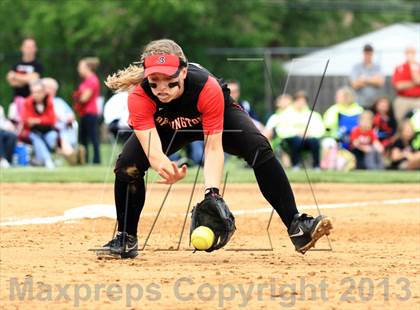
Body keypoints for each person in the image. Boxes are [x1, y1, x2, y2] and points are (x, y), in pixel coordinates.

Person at [98, 39, 332, 258]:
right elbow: (153, 151)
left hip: (216, 115)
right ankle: (126, 238)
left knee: (259, 148)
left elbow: (212, 147)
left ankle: (297, 226)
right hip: (168, 125)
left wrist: (212, 193)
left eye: (169, 79)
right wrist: (165, 167)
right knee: (127, 166)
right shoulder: (140, 96)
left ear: (184, 71)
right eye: (154, 80)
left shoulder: (206, 88)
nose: (161, 88)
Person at [267, 91, 324, 170]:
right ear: (294, 101)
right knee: (297, 141)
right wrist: (296, 132)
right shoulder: (286, 114)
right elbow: (281, 130)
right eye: (298, 101)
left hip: (309, 139)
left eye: (303, 101)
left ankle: (316, 166)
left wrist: (309, 133)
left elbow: (320, 130)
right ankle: (295, 165)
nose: (300, 103)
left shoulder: (314, 115)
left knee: (315, 142)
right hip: (291, 140)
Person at [42, 77, 82, 165]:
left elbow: (71, 115)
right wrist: (59, 118)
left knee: (64, 135)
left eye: (51, 88)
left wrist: (66, 118)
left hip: (66, 129)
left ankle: (72, 155)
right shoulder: (42, 103)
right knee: (61, 137)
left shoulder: (59, 101)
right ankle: (72, 155)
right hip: (52, 130)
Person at [22, 80, 57, 169]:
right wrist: (41, 120)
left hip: (48, 130)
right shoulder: (27, 102)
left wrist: (37, 120)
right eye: (33, 92)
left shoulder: (49, 102)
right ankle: (48, 161)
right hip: (32, 131)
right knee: (37, 139)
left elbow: (52, 119)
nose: (35, 95)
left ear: (44, 93)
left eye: (38, 92)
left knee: (52, 138)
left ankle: (40, 160)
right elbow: (26, 120)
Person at [73, 57, 101, 164]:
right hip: (84, 113)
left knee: (93, 137)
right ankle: (84, 159)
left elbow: (85, 98)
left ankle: (96, 160)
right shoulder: (86, 80)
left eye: (80, 67)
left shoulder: (92, 80)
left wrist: (77, 99)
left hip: (90, 113)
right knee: (84, 138)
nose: (78, 69)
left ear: (87, 67)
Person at [350, 44, 385, 108]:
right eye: (366, 53)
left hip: (375, 104)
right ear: (363, 54)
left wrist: (364, 79)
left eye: (369, 53)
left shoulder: (377, 67)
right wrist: (373, 80)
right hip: (360, 103)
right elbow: (355, 85)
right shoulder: (356, 67)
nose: (367, 56)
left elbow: (380, 83)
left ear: (372, 54)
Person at [392, 46, 420, 123]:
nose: (410, 55)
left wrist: (413, 68)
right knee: (401, 122)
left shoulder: (418, 66)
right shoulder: (399, 68)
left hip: (418, 99)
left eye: (412, 53)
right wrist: (415, 83)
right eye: (408, 53)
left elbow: (418, 80)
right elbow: (398, 86)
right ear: (405, 54)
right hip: (403, 99)